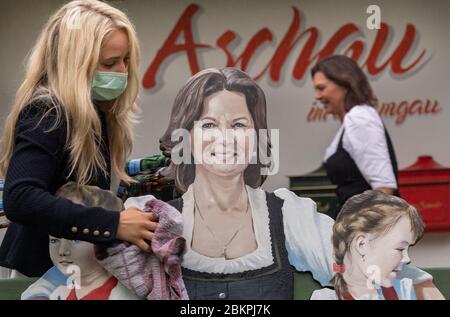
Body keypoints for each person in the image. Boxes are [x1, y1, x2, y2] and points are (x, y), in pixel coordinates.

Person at [104, 67, 437, 300]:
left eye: (238, 125)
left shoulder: (288, 214)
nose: (225, 139)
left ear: (257, 136)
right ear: (186, 137)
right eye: (208, 125)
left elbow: (361, 260)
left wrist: (421, 285)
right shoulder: (150, 218)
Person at [0, 0, 157, 278]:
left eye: (126, 60)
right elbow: (21, 198)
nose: (122, 70)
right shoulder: (47, 113)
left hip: (79, 271)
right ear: (75, 63)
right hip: (46, 276)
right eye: (110, 63)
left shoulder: (98, 112)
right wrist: (113, 223)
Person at [310, 190, 444, 300]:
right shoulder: (325, 297)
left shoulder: (406, 291)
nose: (407, 259)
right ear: (362, 244)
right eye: (400, 248)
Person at [22, 183, 139, 300]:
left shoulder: (120, 293)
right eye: (54, 241)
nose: (62, 251)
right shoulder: (60, 292)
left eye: (75, 240)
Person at [311, 55, 400, 208]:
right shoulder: (353, 119)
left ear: (345, 85)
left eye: (321, 88)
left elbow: (384, 188)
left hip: (368, 228)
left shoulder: (359, 118)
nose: (317, 96)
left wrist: (364, 230)